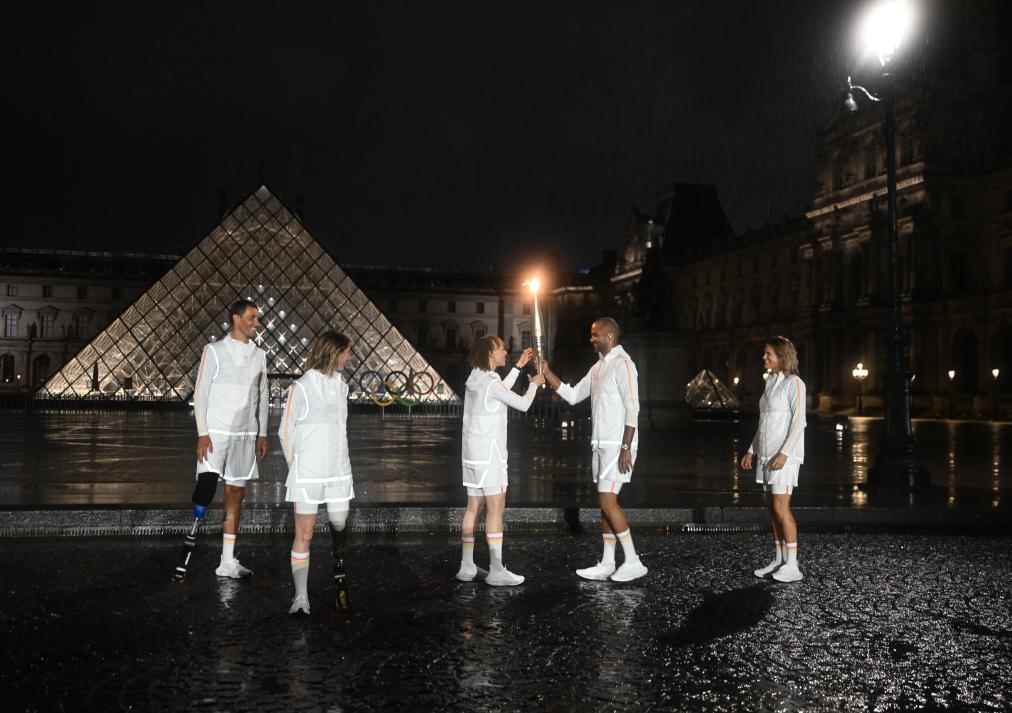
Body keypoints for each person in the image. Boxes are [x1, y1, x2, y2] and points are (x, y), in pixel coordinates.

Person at [543, 317, 647, 582]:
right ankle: (608, 562)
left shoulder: (623, 365)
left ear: (609, 337)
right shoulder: (598, 367)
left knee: (607, 501)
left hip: (617, 446)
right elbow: (574, 395)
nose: (591, 339)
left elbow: (633, 408)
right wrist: (547, 373)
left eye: (595, 335)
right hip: (600, 444)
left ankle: (633, 560)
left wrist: (626, 447)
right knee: (604, 504)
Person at [189, 299, 268, 579]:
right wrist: (202, 432)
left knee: (237, 493)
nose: (257, 323)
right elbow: (201, 394)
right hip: (217, 433)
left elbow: (262, 396)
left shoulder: (260, 355)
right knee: (207, 487)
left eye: (258, 318)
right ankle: (196, 530)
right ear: (236, 319)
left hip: (246, 434)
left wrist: (262, 432)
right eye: (252, 317)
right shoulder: (214, 350)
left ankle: (226, 561)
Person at [456, 338, 544, 586]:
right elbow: (523, 404)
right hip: (490, 455)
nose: (506, 350)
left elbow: (498, 393)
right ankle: (496, 570)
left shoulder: (475, 378)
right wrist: (534, 385)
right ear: (490, 353)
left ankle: (467, 566)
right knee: (496, 509)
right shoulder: (491, 381)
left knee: (473, 507)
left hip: (472, 454)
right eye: (502, 348)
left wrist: (517, 367)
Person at [279, 332, 356, 614]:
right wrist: (296, 467)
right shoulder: (301, 387)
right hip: (308, 474)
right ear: (333, 352)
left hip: (338, 471)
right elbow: (285, 432)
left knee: (338, 522)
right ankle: (301, 597)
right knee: (306, 532)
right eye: (347, 351)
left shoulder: (343, 387)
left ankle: (339, 566)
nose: (350, 357)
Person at [740, 336, 807, 583]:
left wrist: (785, 453)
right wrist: (751, 450)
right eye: (764, 353)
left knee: (781, 507)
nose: (764, 357)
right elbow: (764, 422)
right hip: (767, 454)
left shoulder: (794, 383)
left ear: (782, 355)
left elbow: (799, 422)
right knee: (771, 507)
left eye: (769, 353)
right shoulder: (770, 383)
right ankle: (779, 559)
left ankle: (793, 565)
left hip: (784, 457)